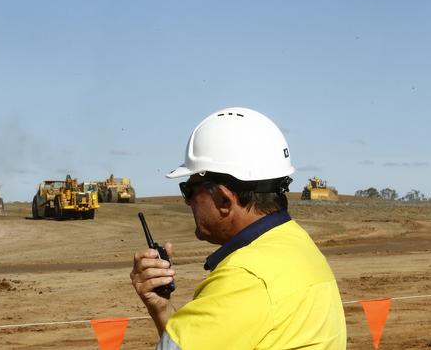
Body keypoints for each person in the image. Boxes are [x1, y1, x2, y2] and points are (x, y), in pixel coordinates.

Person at [130, 107, 346, 349]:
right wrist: (161, 308)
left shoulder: (244, 278)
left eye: (188, 190)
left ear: (223, 199)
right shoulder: (297, 243)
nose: (188, 201)